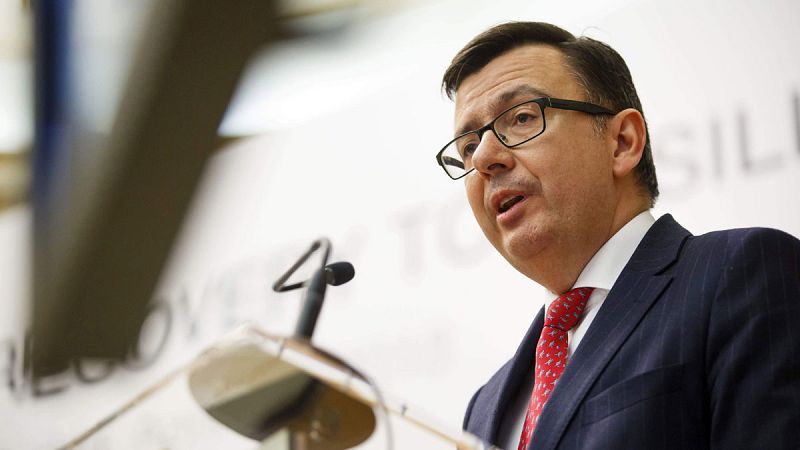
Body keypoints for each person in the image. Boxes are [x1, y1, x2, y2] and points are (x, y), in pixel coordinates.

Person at [435, 22, 800, 450]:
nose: (484, 158)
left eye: (521, 118)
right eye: (468, 147)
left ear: (623, 142)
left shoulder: (741, 275)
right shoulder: (484, 407)